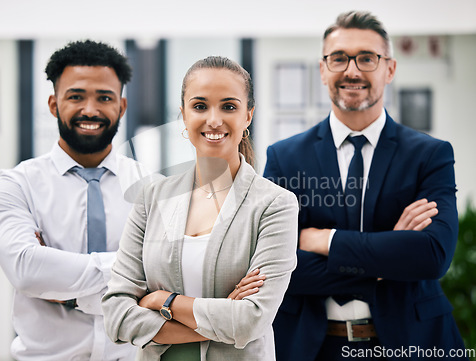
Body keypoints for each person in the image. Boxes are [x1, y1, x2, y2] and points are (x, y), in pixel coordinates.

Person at [264, 11, 468, 361]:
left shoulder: (430, 155)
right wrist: (386, 262)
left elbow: (433, 256)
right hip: (312, 347)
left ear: (389, 69)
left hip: (413, 343)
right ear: (323, 69)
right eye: (339, 58)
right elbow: (275, 268)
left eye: (367, 58)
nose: (352, 70)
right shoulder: (285, 158)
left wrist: (324, 241)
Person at [102, 56, 299, 361]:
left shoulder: (274, 204)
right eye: (200, 106)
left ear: (248, 116)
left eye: (229, 107)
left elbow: (252, 320)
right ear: (183, 115)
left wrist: (164, 300)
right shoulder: (152, 198)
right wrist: (222, 319)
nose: (214, 119)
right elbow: (116, 314)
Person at [0, 40, 145, 360]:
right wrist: (130, 269)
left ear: (121, 107)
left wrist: (64, 286)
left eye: (104, 97)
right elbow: (27, 270)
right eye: (76, 97)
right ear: (53, 104)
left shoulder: (151, 186)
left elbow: (167, 275)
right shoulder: (17, 185)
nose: (90, 110)